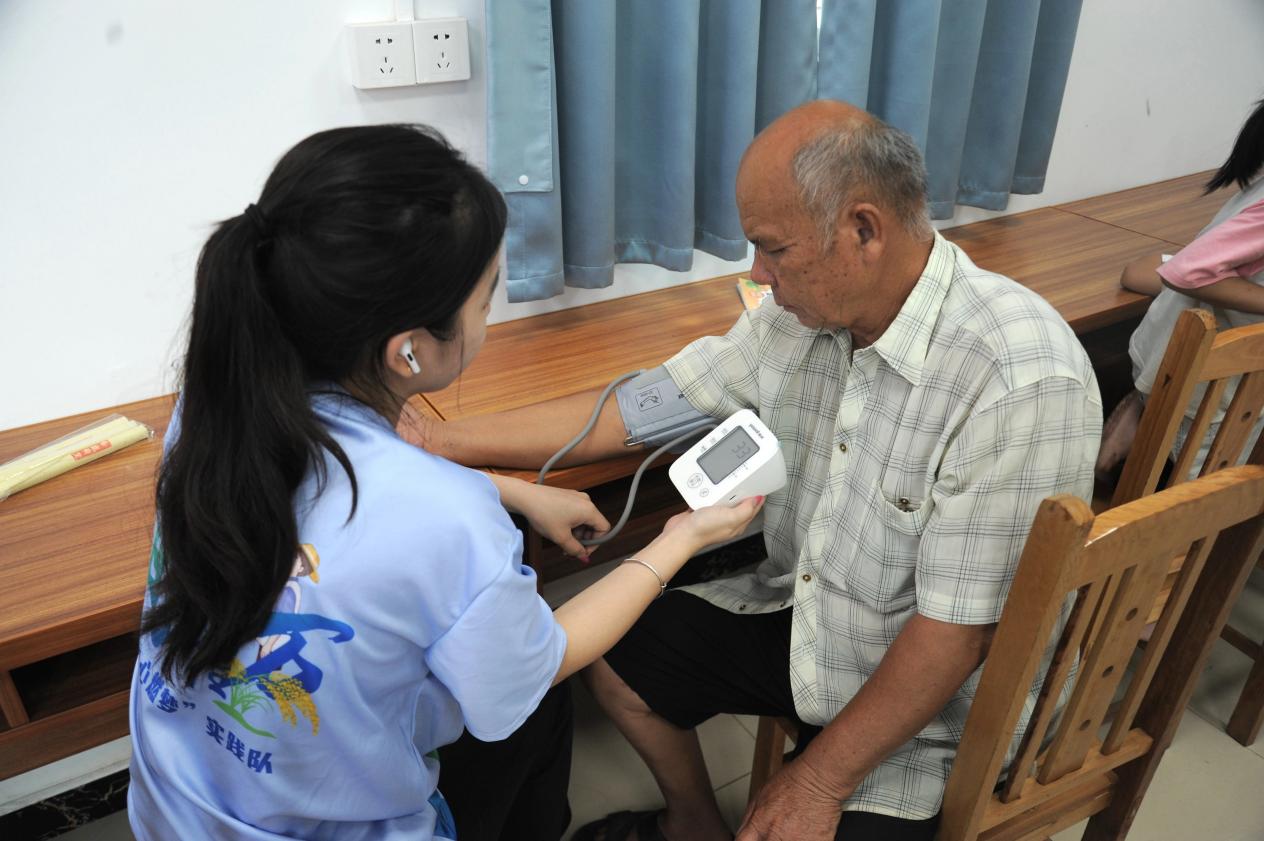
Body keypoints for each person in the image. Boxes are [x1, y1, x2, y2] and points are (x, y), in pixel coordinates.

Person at [414, 100, 1101, 841]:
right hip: (818, 624)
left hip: (942, 706)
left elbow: (957, 635)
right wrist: (444, 439)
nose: (758, 275)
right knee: (614, 659)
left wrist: (817, 779)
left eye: (773, 249)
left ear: (864, 231)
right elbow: (643, 406)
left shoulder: (1017, 377)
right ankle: (693, 822)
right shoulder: (800, 317)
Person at [127, 124, 762, 841]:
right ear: (408, 350)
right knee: (532, 701)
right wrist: (682, 537)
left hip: (173, 806)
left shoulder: (213, 402)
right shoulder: (443, 518)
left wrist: (509, 490)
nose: (490, 316)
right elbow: (538, 661)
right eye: (487, 300)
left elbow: (368, 507)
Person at [1097, 96, 1264, 482]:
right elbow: (1188, 271)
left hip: (1182, 365)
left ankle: (1140, 412)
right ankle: (1142, 419)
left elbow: (1180, 267)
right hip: (1207, 386)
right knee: (1196, 492)